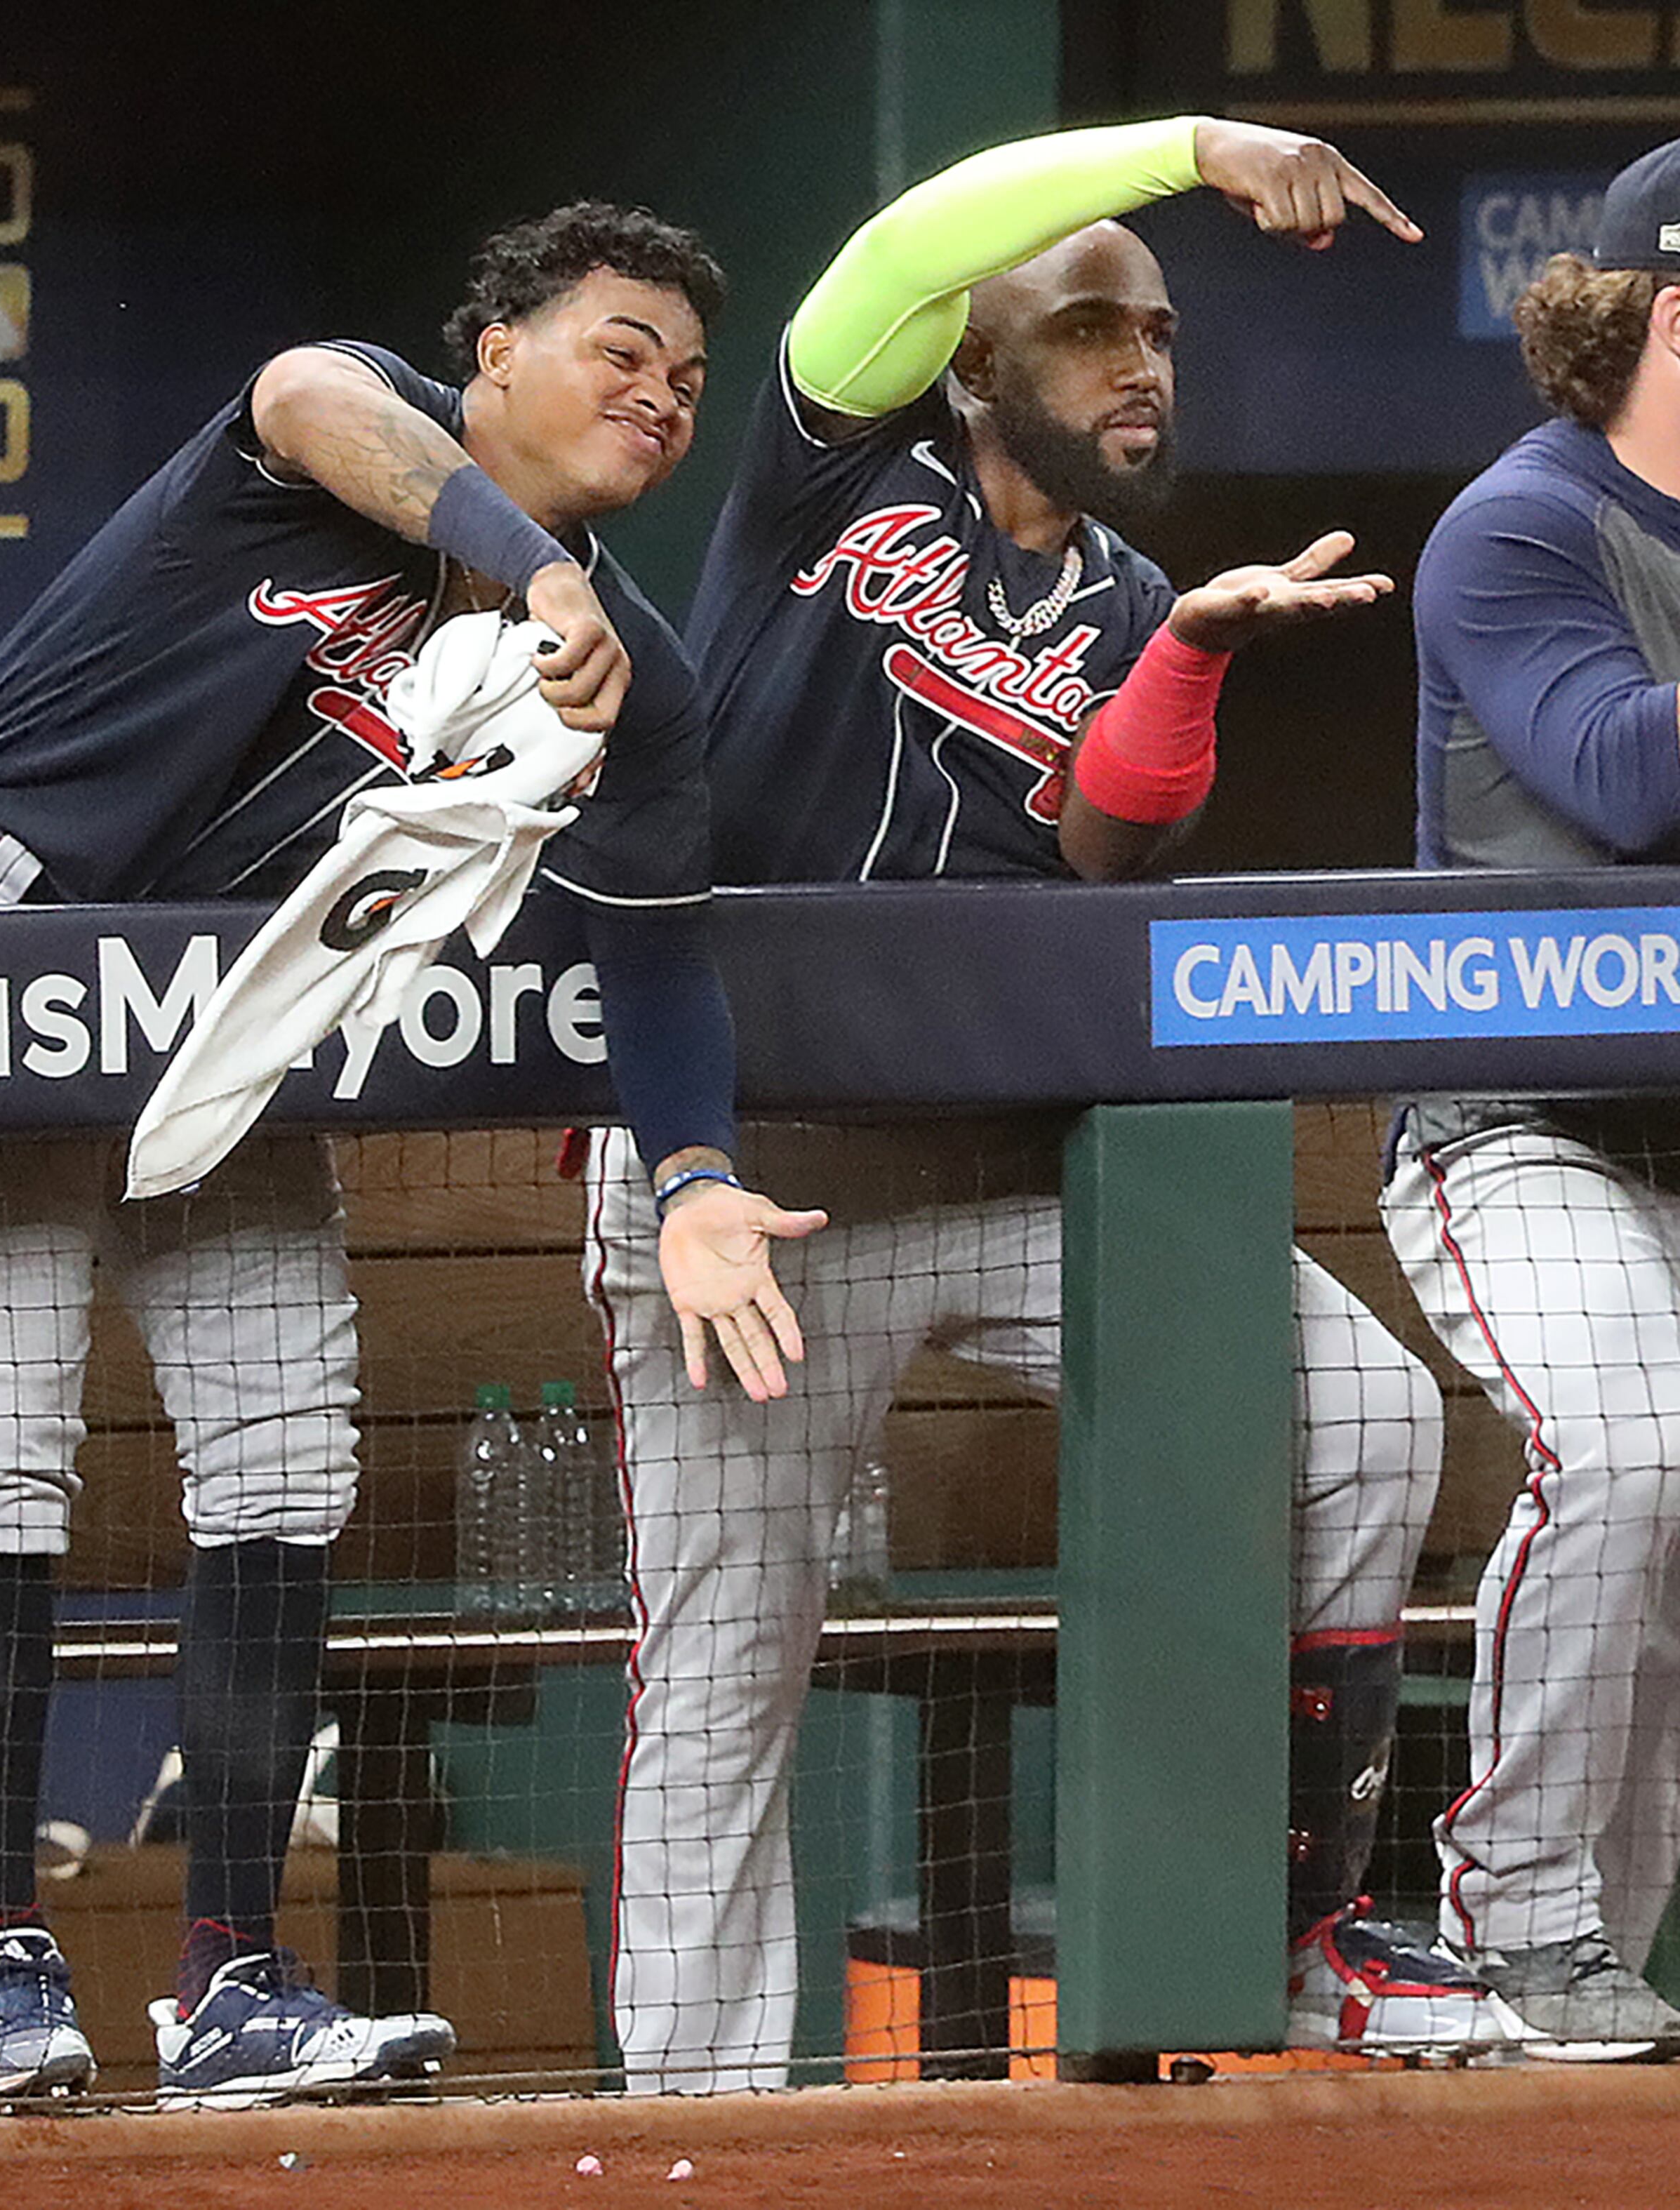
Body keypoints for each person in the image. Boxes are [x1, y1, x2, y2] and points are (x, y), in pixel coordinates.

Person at [0, 201, 822, 2108]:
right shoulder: (369, 416)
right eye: (622, 348)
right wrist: (538, 572)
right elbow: (307, 398)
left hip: (234, 1003)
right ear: (499, 349)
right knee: (6, 1433)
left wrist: (696, 1179)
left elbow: (659, 950)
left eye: (692, 381)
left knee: (286, 1443)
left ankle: (235, 1982)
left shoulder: (630, 668)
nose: (662, 395)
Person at [585, 117, 1496, 2091]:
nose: (1141, 362)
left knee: (1362, 1409)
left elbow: (1101, 851)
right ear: (974, 366)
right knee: (734, 1670)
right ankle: (695, 2121)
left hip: (1007, 1168)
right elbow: (911, 233)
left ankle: (1295, 1922)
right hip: (758, 1172)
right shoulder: (829, 477)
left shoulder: (1126, 598)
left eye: (1158, 331)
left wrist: (1182, 661)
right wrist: (1196, 151)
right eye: (1088, 328)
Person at [1384, 138, 1680, 2061]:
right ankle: (1510, 1919)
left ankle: (1606, 1972)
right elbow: (1626, 780)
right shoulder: (1524, 522)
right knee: (1639, 1442)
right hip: (1522, 1118)